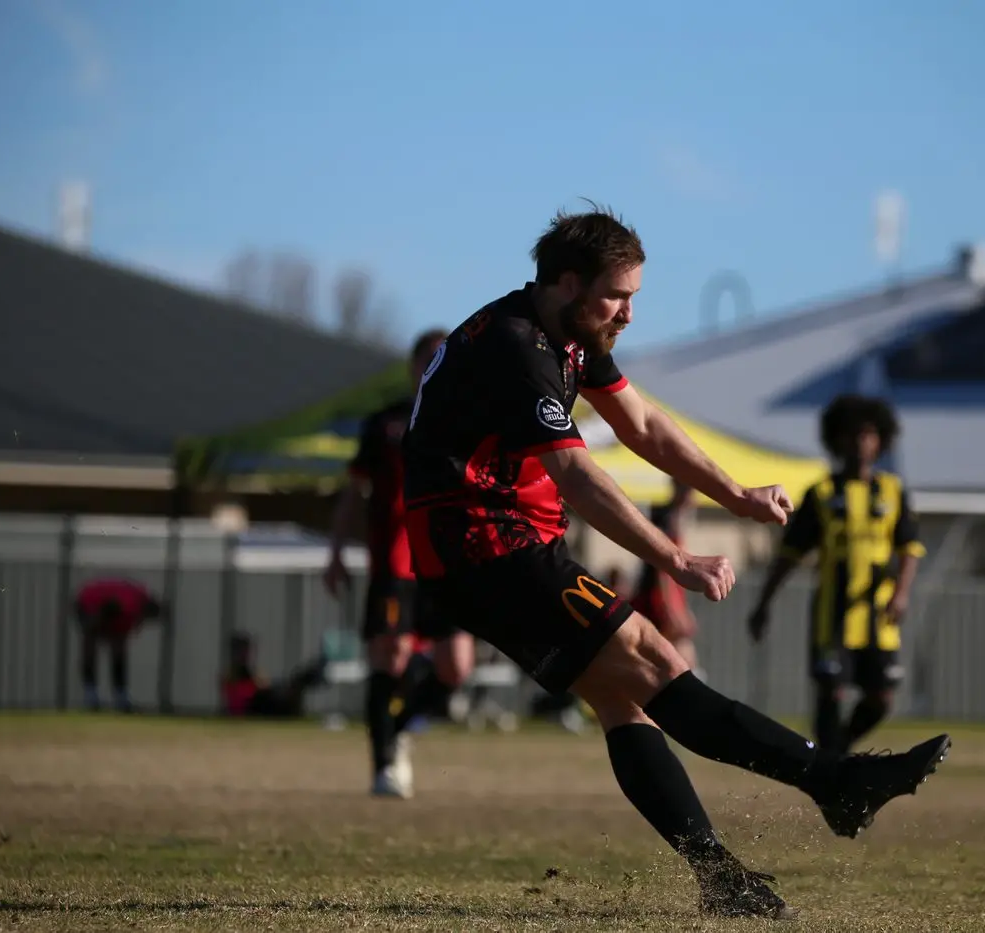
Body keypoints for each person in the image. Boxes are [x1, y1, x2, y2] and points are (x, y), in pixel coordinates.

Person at [401, 204, 950, 920]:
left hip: (505, 543)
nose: (628, 313)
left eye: (632, 296)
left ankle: (721, 876)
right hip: (484, 548)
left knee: (624, 698)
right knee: (654, 663)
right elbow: (580, 478)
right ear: (566, 283)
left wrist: (735, 492)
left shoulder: (570, 329)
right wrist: (674, 558)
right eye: (617, 295)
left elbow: (643, 425)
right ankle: (835, 781)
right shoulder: (517, 346)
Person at [324, 329, 476, 798]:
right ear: (414, 367)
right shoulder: (386, 423)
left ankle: (403, 725)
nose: (435, 365)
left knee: (456, 667)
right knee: (390, 655)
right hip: (395, 562)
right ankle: (384, 765)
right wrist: (335, 551)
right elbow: (355, 491)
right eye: (428, 358)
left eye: (443, 357)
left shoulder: (468, 419)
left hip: (449, 561)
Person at [745, 394, 926, 755]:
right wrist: (764, 603)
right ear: (837, 439)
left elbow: (910, 549)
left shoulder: (892, 491)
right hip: (833, 616)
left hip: (879, 615)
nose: (861, 442)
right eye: (853, 434)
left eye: (869, 434)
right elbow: (790, 555)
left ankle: (834, 755)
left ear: (881, 440)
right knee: (832, 691)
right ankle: (833, 763)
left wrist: (902, 593)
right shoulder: (822, 494)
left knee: (882, 697)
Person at [629, 478, 702, 672]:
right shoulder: (666, 518)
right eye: (688, 489)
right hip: (655, 600)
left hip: (661, 598)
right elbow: (663, 570)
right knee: (680, 658)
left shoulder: (675, 518)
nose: (692, 495)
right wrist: (673, 609)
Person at [74, 577, 165, 713]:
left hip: (106, 606)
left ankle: (120, 696)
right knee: (91, 646)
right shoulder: (130, 605)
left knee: (118, 651)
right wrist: (97, 624)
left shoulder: (139, 598)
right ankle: (92, 694)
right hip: (88, 604)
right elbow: (109, 607)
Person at [219, 632, 329, 719]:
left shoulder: (251, 671)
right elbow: (245, 694)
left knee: (292, 684)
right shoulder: (231, 673)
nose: (246, 654)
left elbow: (264, 683)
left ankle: (313, 673)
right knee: (293, 684)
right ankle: (313, 672)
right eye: (243, 650)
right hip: (252, 708)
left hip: (262, 704)